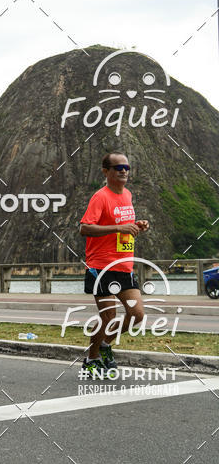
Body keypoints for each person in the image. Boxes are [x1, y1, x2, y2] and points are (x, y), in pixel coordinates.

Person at [79, 152, 150, 376]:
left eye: (126, 167)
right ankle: (91, 359)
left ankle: (105, 345)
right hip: (101, 266)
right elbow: (84, 228)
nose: (123, 171)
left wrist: (137, 225)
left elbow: (123, 226)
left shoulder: (127, 195)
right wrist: (118, 228)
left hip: (124, 266)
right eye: (118, 167)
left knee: (137, 315)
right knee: (108, 317)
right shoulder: (100, 197)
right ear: (106, 172)